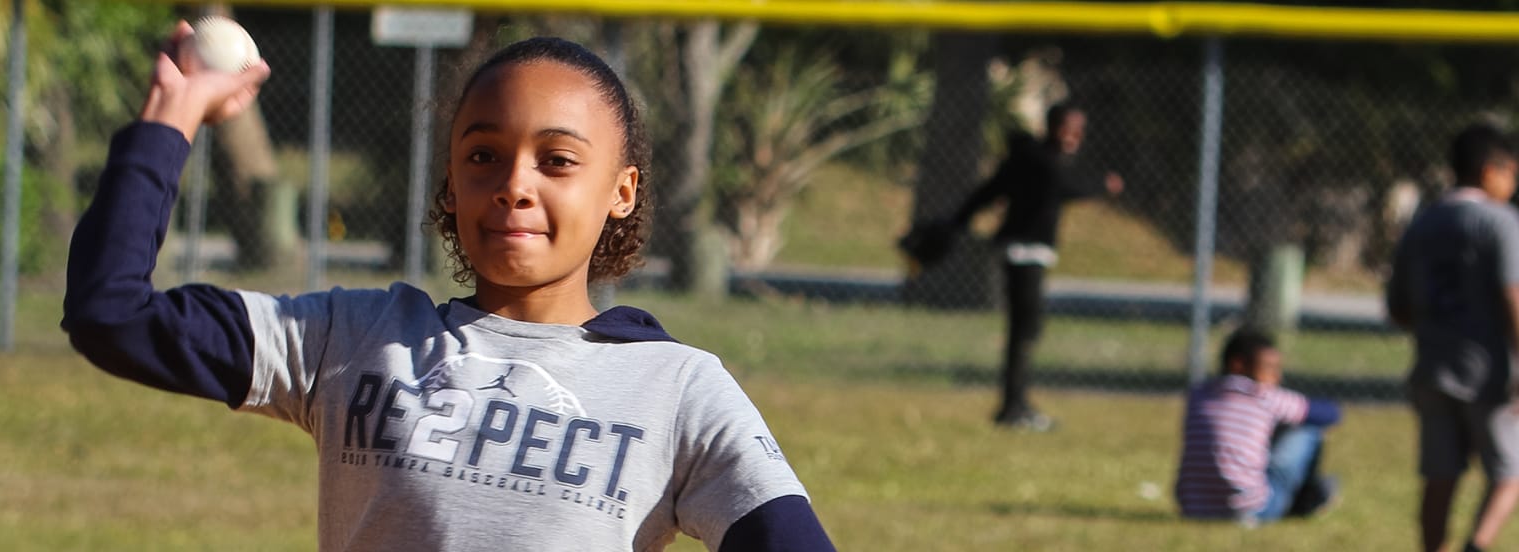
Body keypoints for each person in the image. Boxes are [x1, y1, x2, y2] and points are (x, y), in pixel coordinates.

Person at [60, 24, 834, 551]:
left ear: (621, 190)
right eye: (483, 156)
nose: (514, 186)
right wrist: (175, 113)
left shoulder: (676, 389)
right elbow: (112, 313)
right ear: (453, 178)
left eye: (557, 161)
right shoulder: (357, 341)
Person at [947, 103, 1124, 431]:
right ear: (1052, 126)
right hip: (1023, 251)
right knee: (1025, 329)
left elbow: (989, 190)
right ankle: (1013, 407)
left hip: (1029, 250)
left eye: (1078, 131)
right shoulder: (1041, 161)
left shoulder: (1032, 158)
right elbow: (1063, 186)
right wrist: (1103, 184)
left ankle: (1015, 403)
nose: (1073, 137)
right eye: (1067, 128)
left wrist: (959, 220)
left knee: (1026, 329)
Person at [1387, 123, 1519, 552]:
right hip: (1488, 372)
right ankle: (1477, 546)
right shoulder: (1500, 221)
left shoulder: (1423, 222)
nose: (1512, 183)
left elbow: (1398, 307)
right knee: (1510, 473)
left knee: (1440, 477)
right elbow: (1512, 296)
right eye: (1510, 172)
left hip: (1431, 367)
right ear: (1488, 171)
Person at [1174, 329, 1342, 525]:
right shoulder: (1261, 396)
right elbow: (1330, 413)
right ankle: (1307, 499)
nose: (1276, 378)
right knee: (1308, 431)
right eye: (1269, 368)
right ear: (1237, 365)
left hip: (1192, 507)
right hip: (1250, 510)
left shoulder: (1198, 395)